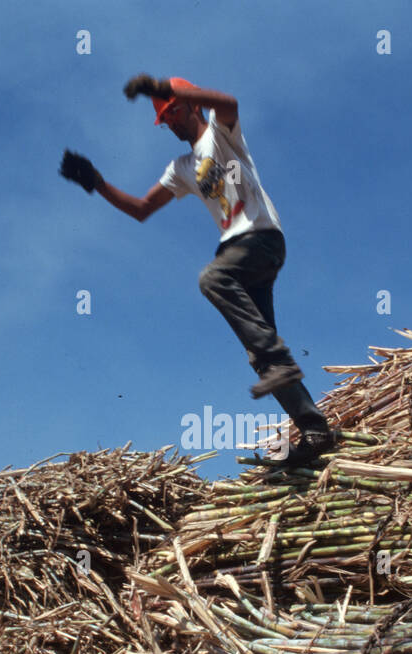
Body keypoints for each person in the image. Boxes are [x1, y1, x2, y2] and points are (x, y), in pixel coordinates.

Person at [59, 74, 336, 468]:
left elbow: (229, 100)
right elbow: (141, 209)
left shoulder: (223, 135)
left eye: (173, 112)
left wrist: (163, 88)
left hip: (260, 238)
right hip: (236, 251)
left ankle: (280, 359)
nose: (170, 122)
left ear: (190, 105)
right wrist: (97, 182)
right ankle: (314, 429)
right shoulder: (182, 167)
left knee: (212, 279)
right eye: (165, 119)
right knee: (261, 357)